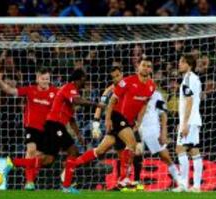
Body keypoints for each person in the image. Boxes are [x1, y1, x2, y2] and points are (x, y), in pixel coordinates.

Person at [4, 68, 104, 193]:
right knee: (73, 151)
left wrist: (79, 135)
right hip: (55, 125)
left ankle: (13, 161)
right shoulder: (69, 87)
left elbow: (71, 119)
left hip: (54, 126)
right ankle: (66, 185)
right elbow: (77, 101)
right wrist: (97, 105)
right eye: (84, 79)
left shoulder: (73, 92)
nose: (86, 82)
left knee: (48, 160)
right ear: (78, 80)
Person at [63, 57, 156, 191]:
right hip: (118, 117)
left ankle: (72, 165)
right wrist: (106, 119)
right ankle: (124, 179)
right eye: (143, 65)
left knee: (100, 150)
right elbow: (112, 100)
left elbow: (144, 104)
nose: (146, 68)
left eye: (148, 66)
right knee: (132, 144)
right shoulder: (127, 82)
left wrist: (139, 122)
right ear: (138, 67)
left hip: (128, 122)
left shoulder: (152, 86)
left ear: (151, 69)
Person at [0, 68, 58, 190]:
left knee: (43, 160)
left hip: (47, 130)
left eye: (47, 79)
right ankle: (29, 182)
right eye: (43, 79)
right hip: (32, 128)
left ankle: (14, 162)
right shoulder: (30, 90)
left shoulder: (54, 92)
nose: (46, 81)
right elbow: (10, 90)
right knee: (31, 151)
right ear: (37, 79)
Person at [138, 90, 186, 191]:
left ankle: (180, 182)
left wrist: (164, 132)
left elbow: (163, 114)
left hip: (152, 129)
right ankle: (132, 182)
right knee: (133, 156)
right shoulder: (133, 91)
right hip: (136, 128)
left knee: (165, 156)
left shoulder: (156, 95)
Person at [175, 54, 203, 192]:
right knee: (194, 151)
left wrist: (184, 123)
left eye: (182, 62)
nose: (179, 64)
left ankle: (183, 184)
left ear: (189, 65)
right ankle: (196, 186)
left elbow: (190, 101)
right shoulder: (195, 79)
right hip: (194, 119)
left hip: (190, 121)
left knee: (180, 149)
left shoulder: (188, 79)